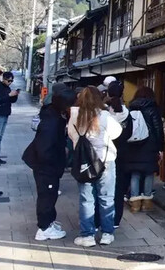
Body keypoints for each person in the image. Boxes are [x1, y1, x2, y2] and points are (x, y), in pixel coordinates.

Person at [68, 86, 122, 247]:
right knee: (106, 198)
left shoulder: (75, 115)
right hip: (106, 161)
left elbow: (71, 135)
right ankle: (107, 234)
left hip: (84, 163)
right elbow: (116, 133)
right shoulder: (105, 116)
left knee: (86, 199)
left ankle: (88, 236)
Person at [25, 87, 74, 241]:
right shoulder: (52, 122)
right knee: (46, 196)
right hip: (45, 165)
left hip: (45, 163)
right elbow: (44, 148)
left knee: (50, 195)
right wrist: (54, 163)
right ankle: (44, 228)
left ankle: (49, 222)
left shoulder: (53, 114)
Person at [125, 87, 164, 212]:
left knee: (135, 172)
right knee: (148, 172)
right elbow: (158, 130)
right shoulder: (153, 109)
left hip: (134, 144)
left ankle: (135, 203)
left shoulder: (130, 107)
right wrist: (160, 148)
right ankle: (147, 202)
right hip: (150, 145)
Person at [103, 80, 132, 228]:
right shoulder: (127, 113)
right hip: (123, 154)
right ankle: (115, 220)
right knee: (119, 189)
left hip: (106, 152)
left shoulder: (104, 112)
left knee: (103, 188)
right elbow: (129, 133)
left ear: (108, 93)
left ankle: (100, 219)